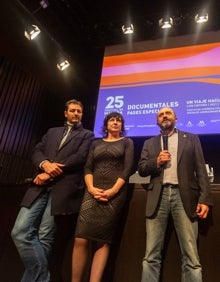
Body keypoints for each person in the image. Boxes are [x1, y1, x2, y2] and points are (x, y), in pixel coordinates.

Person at [11, 99, 94, 282]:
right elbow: (36, 151)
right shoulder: (52, 131)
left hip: (63, 189)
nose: (76, 113)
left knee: (45, 237)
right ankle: (44, 277)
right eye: (72, 110)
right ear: (65, 113)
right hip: (38, 187)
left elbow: (79, 157)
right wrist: (45, 164)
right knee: (19, 231)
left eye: (79, 111)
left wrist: (49, 174)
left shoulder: (87, 135)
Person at [138, 107, 213, 282]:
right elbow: (142, 169)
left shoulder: (191, 138)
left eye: (168, 113)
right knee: (151, 255)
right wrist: (156, 161)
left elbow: (201, 170)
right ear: (157, 121)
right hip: (158, 197)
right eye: (161, 115)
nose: (164, 116)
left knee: (191, 256)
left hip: (184, 197)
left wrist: (205, 199)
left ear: (175, 118)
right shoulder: (149, 143)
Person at [72, 112, 134, 282]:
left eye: (119, 121)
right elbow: (88, 168)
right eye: (112, 120)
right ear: (106, 124)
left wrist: (113, 191)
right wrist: (91, 188)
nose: (115, 122)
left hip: (114, 194)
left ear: (122, 126)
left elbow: (127, 170)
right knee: (80, 239)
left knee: (102, 240)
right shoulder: (95, 143)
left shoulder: (127, 142)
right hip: (92, 191)